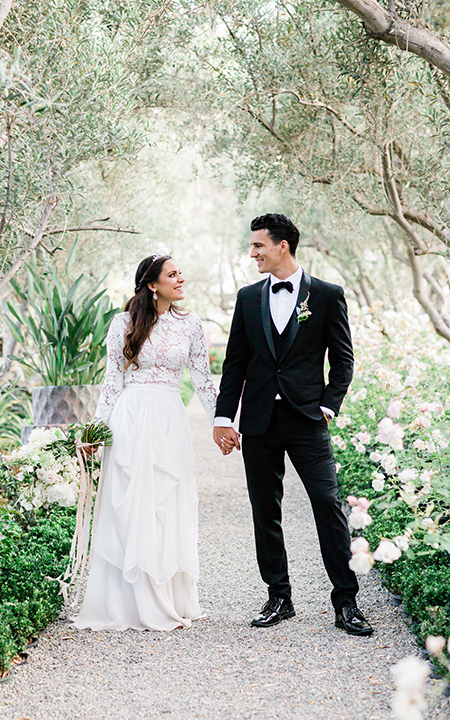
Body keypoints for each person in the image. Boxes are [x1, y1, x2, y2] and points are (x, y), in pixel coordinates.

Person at [213, 213, 373, 636]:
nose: (253, 254)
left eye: (258, 246)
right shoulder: (248, 298)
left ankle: (346, 602)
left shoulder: (326, 295)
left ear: (283, 245)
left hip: (307, 420)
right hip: (260, 423)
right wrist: (223, 417)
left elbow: (343, 361)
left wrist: (328, 407)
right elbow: (235, 364)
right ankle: (279, 598)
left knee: (328, 507)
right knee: (266, 511)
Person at [74, 254, 217, 631]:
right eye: (173, 274)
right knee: (129, 505)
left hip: (170, 419)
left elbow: (204, 381)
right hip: (131, 420)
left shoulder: (191, 325)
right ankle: (126, 602)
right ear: (152, 284)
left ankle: (170, 597)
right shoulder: (123, 322)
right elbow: (111, 382)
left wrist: (223, 423)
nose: (181, 278)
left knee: (167, 505)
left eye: (180, 272)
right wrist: (94, 430)